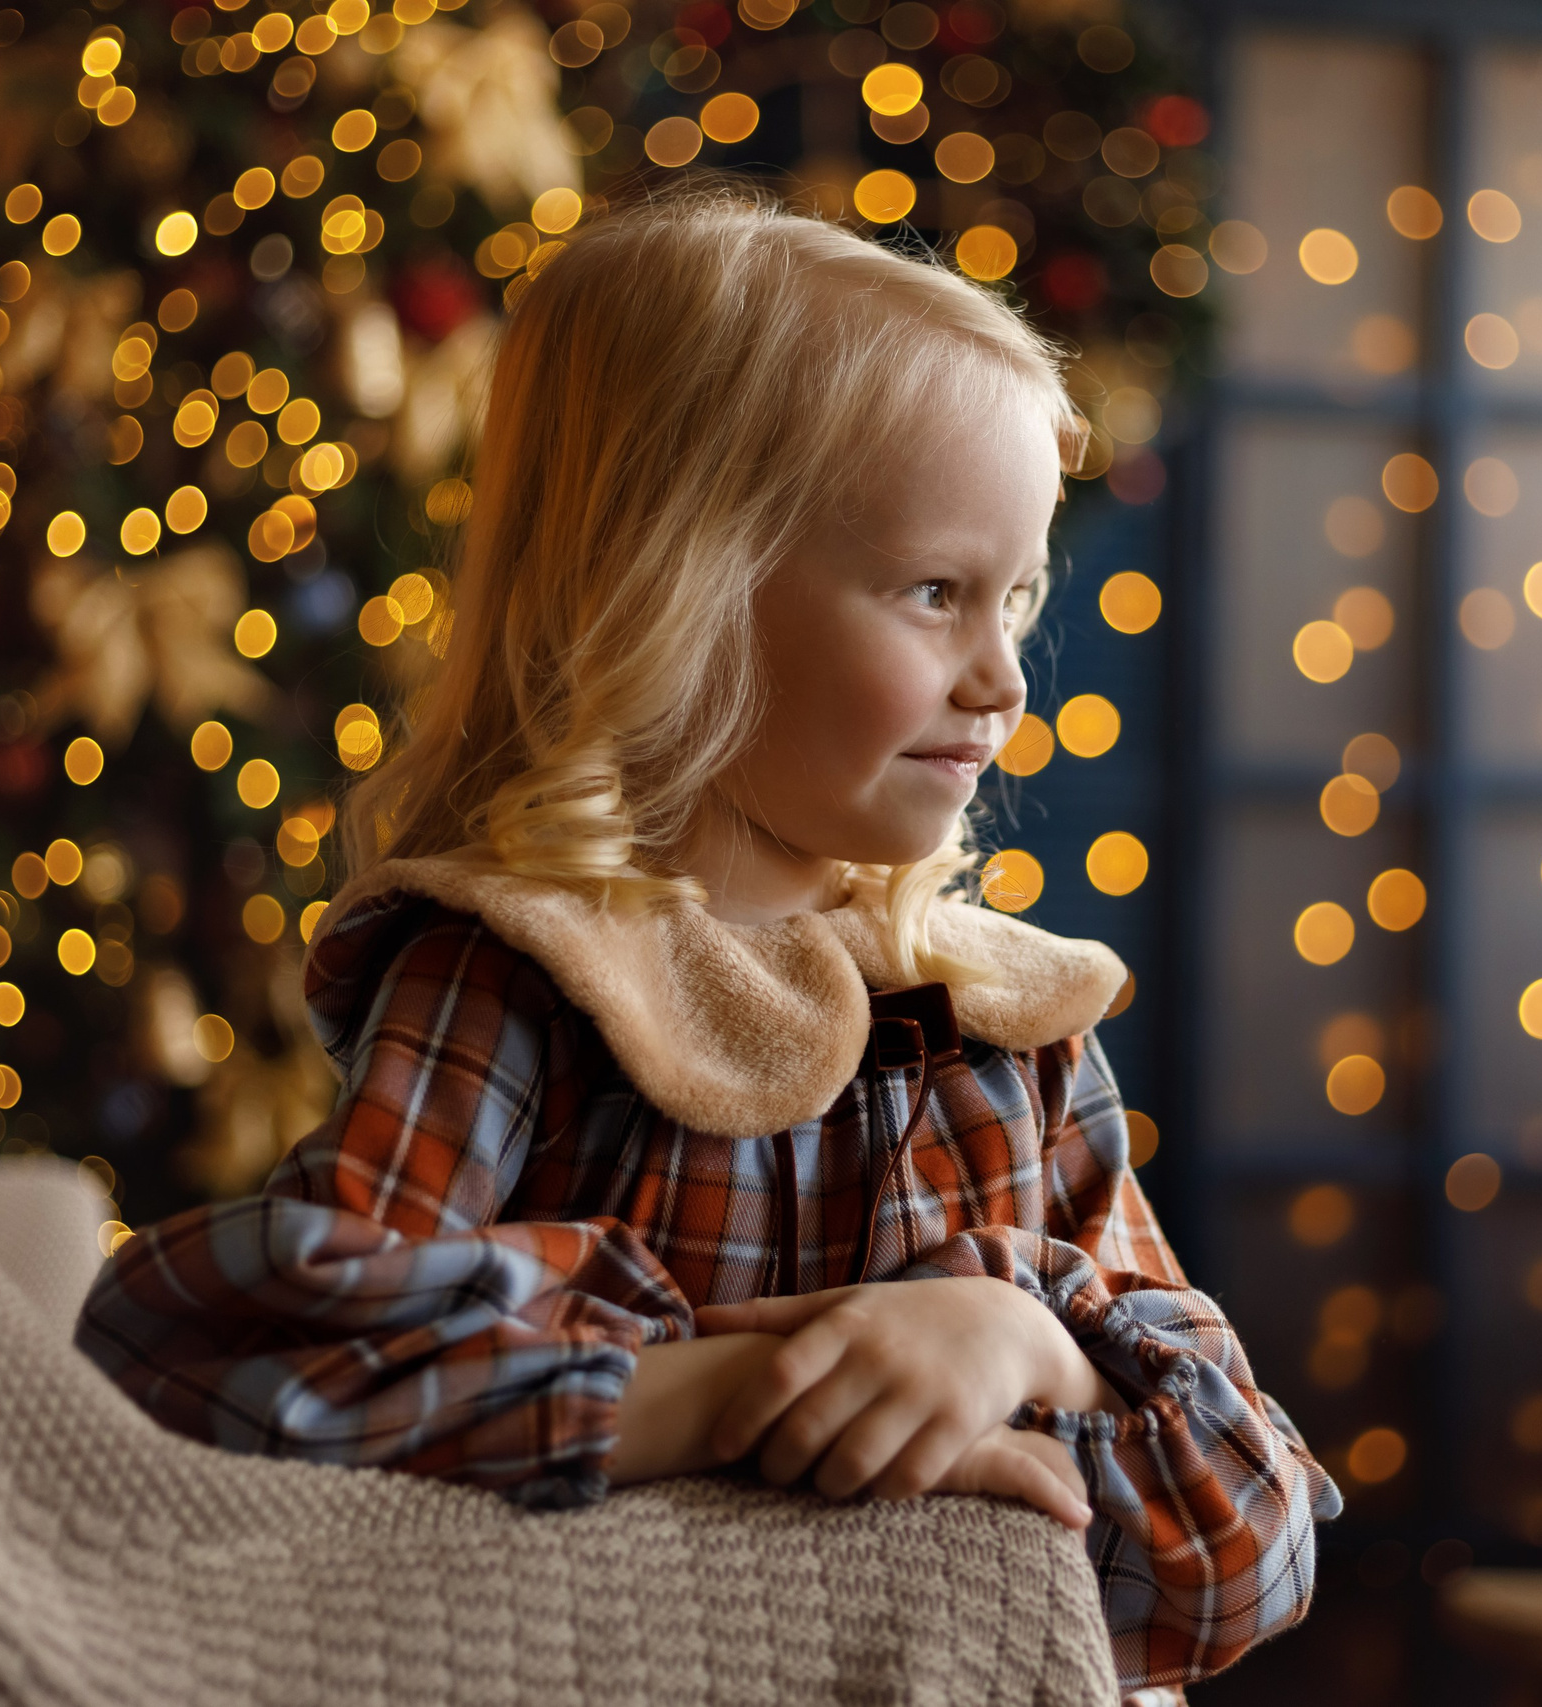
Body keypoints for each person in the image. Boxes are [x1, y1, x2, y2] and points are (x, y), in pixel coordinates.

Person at [75, 183, 1338, 1698]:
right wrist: (722, 1395)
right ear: (685, 593)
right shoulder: (518, 978)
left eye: (1018, 599)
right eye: (935, 592)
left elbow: (1250, 1557)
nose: (1003, 678)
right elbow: (207, 1374)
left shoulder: (1003, 1025)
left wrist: (1026, 1345)